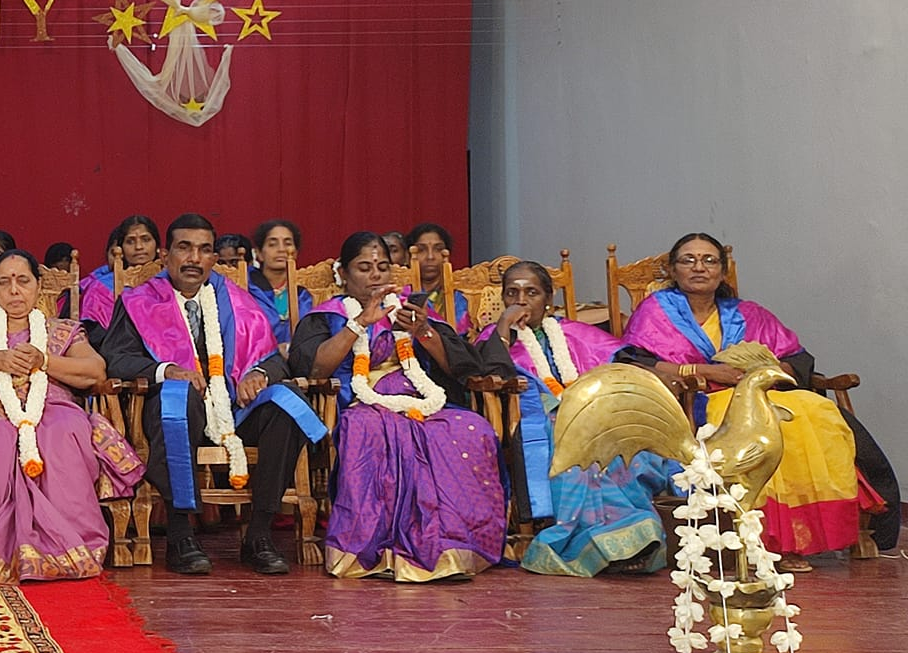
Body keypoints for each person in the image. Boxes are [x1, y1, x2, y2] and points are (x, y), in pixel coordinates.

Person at [618, 232, 899, 568]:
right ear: (673, 270)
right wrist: (704, 370)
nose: (699, 267)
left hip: (758, 394)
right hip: (699, 400)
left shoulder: (748, 313)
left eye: (709, 260)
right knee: (756, 429)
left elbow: (797, 360)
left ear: (723, 271)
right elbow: (635, 360)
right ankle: (761, 542)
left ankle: (798, 539)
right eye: (688, 260)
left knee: (813, 411)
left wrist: (761, 370)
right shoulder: (655, 311)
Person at [100, 214, 327, 576]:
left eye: (204, 250)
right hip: (177, 410)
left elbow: (273, 359)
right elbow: (116, 358)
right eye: (184, 248)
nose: (194, 258)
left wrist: (259, 374)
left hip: (235, 410)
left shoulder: (236, 301)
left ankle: (258, 535)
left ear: (214, 258)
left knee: (286, 404)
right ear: (165, 255)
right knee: (178, 399)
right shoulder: (139, 301)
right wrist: (166, 370)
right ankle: (181, 535)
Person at [291, 232, 505, 581]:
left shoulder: (411, 312)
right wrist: (359, 324)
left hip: (422, 400)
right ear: (343, 274)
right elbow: (313, 369)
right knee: (371, 430)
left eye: (382, 267)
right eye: (364, 268)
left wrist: (423, 331)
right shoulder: (327, 317)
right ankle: (371, 553)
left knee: (471, 429)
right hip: (359, 401)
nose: (375, 275)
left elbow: (464, 367)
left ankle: (451, 548)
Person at [0, 250, 144, 582]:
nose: (14, 290)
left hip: (52, 407)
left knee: (65, 430)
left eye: (23, 281)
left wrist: (44, 361)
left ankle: (67, 547)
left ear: (38, 285)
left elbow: (95, 370)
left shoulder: (63, 330)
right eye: (4, 282)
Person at [477, 262, 668, 576]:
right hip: (534, 416)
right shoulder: (493, 337)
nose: (521, 300)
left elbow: (623, 359)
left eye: (531, 292)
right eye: (512, 293)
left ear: (548, 299)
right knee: (571, 434)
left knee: (613, 432)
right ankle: (587, 541)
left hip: (587, 409)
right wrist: (504, 329)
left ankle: (632, 532)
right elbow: (488, 373)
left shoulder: (572, 332)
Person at [81, 215, 160, 347]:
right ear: (120, 249)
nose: (139, 247)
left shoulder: (170, 279)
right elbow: (96, 335)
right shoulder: (100, 287)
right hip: (118, 351)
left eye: (146, 239)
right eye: (130, 241)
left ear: (157, 246)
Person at [246, 219, 313, 346]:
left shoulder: (302, 296)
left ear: (295, 253)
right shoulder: (247, 290)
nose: (281, 249)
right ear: (259, 253)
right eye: (272, 244)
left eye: (288, 244)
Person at [407, 222, 470, 333]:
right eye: (421, 250)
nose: (430, 257)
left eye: (438, 249)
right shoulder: (402, 295)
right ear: (408, 256)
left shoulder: (460, 299)